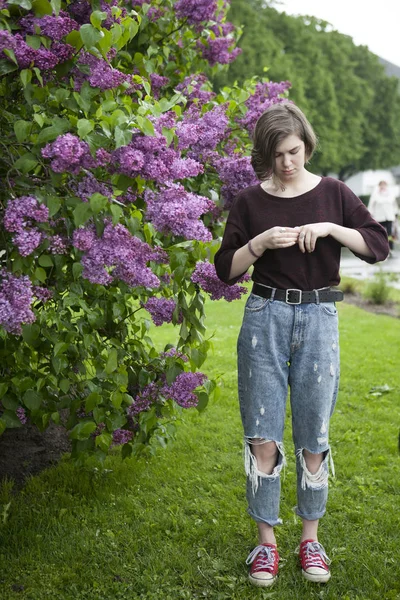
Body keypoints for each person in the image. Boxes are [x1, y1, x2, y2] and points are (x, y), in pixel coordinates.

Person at [214, 102, 389, 587]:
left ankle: (310, 539)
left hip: (318, 318)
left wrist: (333, 228)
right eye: (276, 155)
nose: (287, 163)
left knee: (314, 432)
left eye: (292, 151)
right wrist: (259, 244)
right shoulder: (250, 202)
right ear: (264, 156)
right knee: (262, 432)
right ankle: (265, 544)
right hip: (264, 315)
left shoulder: (333, 193)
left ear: (306, 145)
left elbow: (378, 246)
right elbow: (226, 269)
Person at [368, 180, 398, 254]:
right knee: (380, 233)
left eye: (384, 185)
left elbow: (394, 205)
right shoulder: (375, 194)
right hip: (379, 217)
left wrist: (396, 213)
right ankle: (380, 248)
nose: (383, 186)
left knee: (389, 234)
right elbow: (371, 205)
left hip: (389, 216)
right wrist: (370, 214)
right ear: (379, 186)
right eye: (381, 185)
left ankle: (390, 249)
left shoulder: (390, 194)